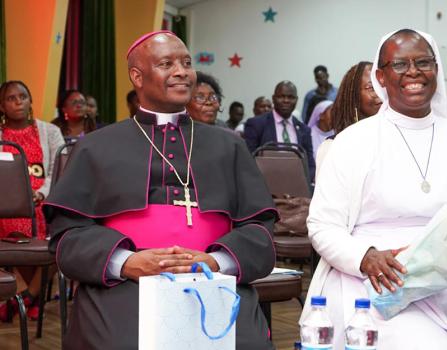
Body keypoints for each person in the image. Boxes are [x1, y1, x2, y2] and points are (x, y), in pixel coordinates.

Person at [301, 29, 447, 349]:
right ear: (381, 76)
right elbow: (322, 225)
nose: (413, 71)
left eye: (423, 62)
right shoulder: (352, 142)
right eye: (399, 65)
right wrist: (366, 257)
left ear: (436, 69)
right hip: (374, 283)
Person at [44, 31, 276, 349]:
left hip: (213, 280)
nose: (181, 71)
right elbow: (67, 235)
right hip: (126, 282)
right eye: (167, 63)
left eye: (186, 62)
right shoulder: (97, 147)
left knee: (247, 343)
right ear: (137, 76)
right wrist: (125, 262)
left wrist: (216, 262)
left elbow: (259, 230)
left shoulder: (229, 146)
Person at [0, 80, 64, 321]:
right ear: (2, 106)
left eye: (23, 97)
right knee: (12, 223)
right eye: (11, 98)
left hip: (43, 201)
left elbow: (57, 169)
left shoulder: (50, 131)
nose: (18, 102)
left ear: (31, 101)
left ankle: (26, 296)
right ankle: (26, 297)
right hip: (6, 205)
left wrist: (41, 194)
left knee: (62, 237)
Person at [315, 61, 382, 174]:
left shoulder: (395, 139)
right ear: (354, 97)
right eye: (372, 88)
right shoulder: (332, 147)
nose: (381, 93)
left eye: (383, 87)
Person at [244, 80, 316, 181]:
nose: (286, 100)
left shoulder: (304, 130)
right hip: (266, 186)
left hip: (297, 186)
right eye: (281, 96)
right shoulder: (257, 124)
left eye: (291, 97)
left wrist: (304, 182)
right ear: (273, 99)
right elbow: (249, 160)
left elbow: (310, 164)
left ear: (296, 100)